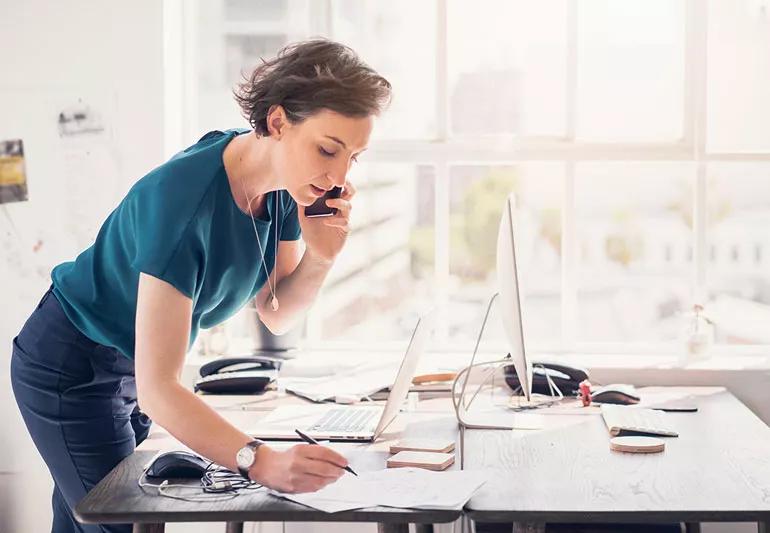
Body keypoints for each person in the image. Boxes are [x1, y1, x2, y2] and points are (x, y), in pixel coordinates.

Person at [11, 39, 391, 532]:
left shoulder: (282, 189)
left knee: (88, 518)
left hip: (129, 368)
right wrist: (260, 460)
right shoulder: (183, 203)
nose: (338, 175)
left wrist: (322, 255)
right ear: (277, 122)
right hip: (72, 365)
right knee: (119, 519)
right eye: (327, 149)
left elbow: (275, 311)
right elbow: (160, 389)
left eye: (353, 158)